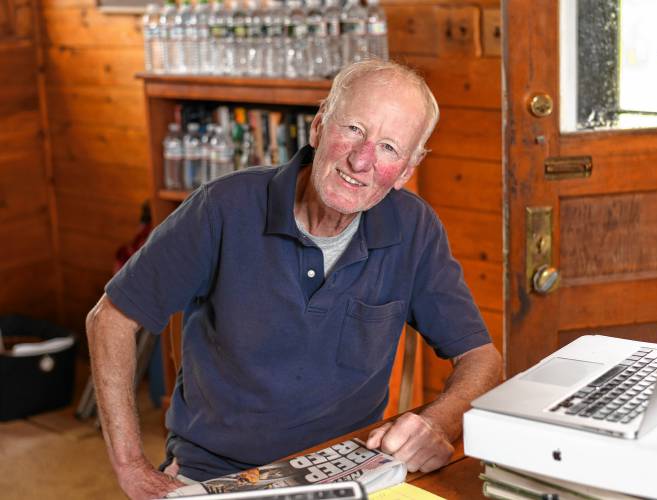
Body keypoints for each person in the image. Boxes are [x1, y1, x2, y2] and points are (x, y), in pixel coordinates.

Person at [86, 59, 502, 500]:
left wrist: (440, 420)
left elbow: (481, 357)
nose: (361, 160)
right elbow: (109, 319)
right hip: (219, 475)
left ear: (406, 170)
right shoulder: (223, 207)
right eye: (354, 129)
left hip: (348, 470)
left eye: (388, 148)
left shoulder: (415, 228)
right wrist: (132, 468)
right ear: (320, 127)